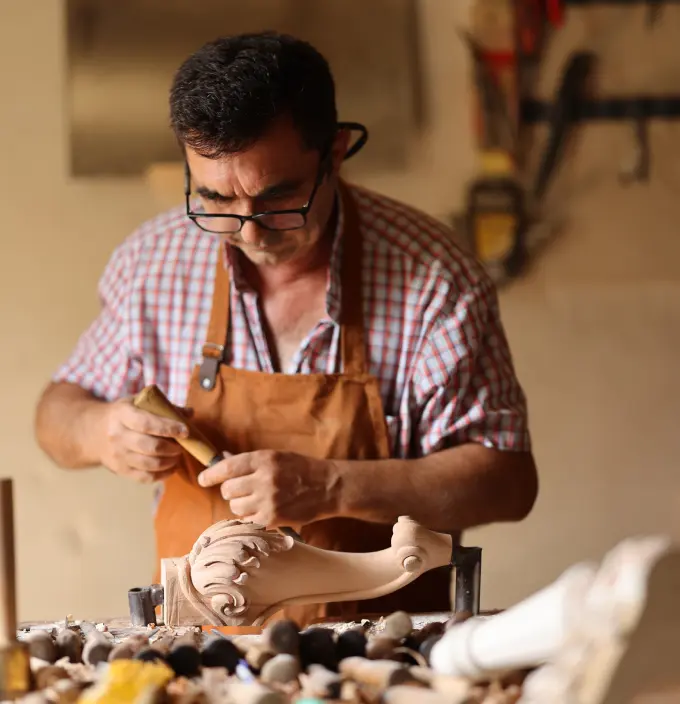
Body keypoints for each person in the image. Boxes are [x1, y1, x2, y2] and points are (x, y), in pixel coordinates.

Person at [35, 31, 537, 623]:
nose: (249, 233)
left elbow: (506, 480)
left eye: (279, 198)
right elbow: (55, 413)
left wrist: (335, 486)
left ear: (336, 152)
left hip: (383, 646)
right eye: (216, 200)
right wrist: (98, 430)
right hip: (199, 646)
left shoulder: (434, 278)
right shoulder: (152, 263)